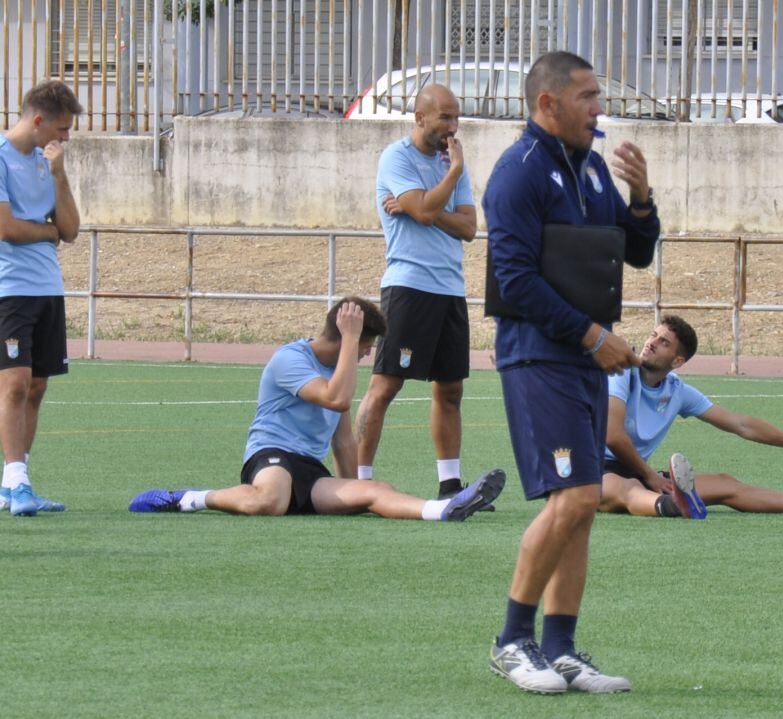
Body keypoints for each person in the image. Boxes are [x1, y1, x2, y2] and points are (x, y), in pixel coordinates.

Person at [483, 51, 660, 695]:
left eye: (599, 95)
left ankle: (560, 648)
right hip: (540, 357)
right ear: (547, 104)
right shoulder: (517, 174)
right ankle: (511, 641)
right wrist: (592, 336)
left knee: (582, 507)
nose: (599, 108)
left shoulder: (586, 167)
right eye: (586, 96)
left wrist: (641, 200)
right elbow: (514, 280)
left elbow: (632, 253)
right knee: (577, 497)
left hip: (584, 358)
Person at [129, 298, 504, 520]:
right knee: (270, 501)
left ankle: (442, 509)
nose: (367, 353)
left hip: (309, 469)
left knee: (375, 491)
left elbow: (341, 439)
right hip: (271, 457)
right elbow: (336, 399)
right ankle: (190, 498)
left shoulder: (339, 372)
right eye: (366, 344)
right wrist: (351, 341)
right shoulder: (289, 359)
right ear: (347, 337)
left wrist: (356, 487)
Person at [600, 316, 783, 520]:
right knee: (627, 491)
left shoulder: (677, 391)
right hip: (588, 470)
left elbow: (742, 425)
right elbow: (613, 435)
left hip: (636, 471)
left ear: (677, 361)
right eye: (653, 335)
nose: (651, 343)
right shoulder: (620, 370)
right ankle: (672, 504)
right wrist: (652, 477)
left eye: (664, 342)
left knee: (726, 484)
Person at [354, 84, 478, 501]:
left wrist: (423, 206)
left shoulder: (450, 161)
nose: (453, 127)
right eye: (445, 117)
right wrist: (448, 181)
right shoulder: (397, 157)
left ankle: (449, 486)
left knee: (451, 389)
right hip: (409, 287)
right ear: (420, 118)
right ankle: (359, 481)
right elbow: (424, 210)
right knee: (386, 386)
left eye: (456, 117)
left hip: (450, 289)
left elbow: (468, 229)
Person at [0, 81, 82, 517]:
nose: (66, 137)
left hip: (48, 288)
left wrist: (59, 174)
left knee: (36, 386)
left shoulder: (46, 162)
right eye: (62, 129)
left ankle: (13, 484)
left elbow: (70, 230)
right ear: (37, 121)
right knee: (13, 384)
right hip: (9, 290)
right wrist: (45, 231)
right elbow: (7, 229)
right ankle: (17, 481)